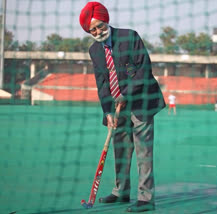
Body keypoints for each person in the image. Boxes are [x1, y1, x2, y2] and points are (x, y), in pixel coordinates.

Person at [79, 2, 165, 212]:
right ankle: (121, 191)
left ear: (106, 20)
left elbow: (144, 70)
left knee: (143, 152)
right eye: (93, 30)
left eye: (100, 26)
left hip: (141, 102)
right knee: (121, 150)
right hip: (117, 109)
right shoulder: (94, 50)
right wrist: (108, 111)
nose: (98, 31)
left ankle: (146, 198)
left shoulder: (129, 37)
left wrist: (125, 95)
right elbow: (102, 82)